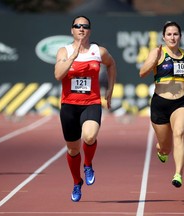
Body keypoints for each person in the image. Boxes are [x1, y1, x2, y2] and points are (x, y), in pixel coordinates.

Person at [54, 15, 116, 202]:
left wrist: (110, 90)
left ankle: (88, 164)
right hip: (69, 106)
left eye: (85, 26)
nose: (81, 29)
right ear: (72, 30)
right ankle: (76, 182)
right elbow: (58, 75)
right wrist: (73, 57)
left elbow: (111, 64)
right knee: (73, 150)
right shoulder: (64, 51)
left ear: (89, 31)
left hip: (91, 103)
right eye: (77, 26)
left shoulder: (99, 51)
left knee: (89, 136)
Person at [139, 21, 184, 188]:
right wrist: (154, 61)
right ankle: (161, 150)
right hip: (160, 103)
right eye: (169, 34)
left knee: (179, 133)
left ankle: (178, 173)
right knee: (165, 147)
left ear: (180, 36)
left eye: (175, 34)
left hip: (182, 102)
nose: (172, 37)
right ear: (164, 37)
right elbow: (142, 73)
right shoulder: (158, 52)